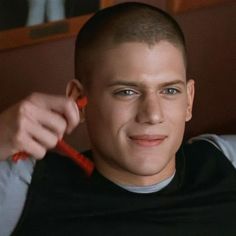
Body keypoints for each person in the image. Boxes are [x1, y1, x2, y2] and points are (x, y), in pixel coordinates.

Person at [0, 2, 235, 235]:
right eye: (127, 92)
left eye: (170, 91)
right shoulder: (23, 187)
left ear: (189, 100)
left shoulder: (226, 161)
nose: (153, 115)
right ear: (78, 99)